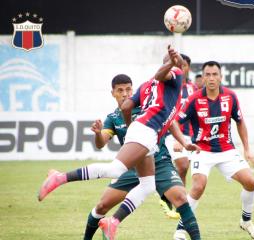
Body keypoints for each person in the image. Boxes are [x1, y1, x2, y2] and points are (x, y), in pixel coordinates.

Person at [38, 46, 200, 239]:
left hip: (148, 141)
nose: (182, 66)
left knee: (147, 185)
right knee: (114, 171)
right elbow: (159, 76)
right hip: (145, 133)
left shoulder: (147, 86)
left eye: (127, 89)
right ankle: (60, 177)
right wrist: (173, 64)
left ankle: (112, 222)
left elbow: (128, 106)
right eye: (179, 63)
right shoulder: (173, 75)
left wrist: (133, 127)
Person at [82, 74, 200, 240]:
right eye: (120, 90)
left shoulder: (146, 107)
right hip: (130, 168)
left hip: (159, 162)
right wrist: (97, 134)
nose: (125, 93)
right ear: (113, 93)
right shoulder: (113, 118)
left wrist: (182, 141)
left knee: (181, 198)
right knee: (102, 206)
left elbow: (171, 121)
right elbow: (101, 143)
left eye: (128, 89)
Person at [173, 61, 254, 240]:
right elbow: (174, 121)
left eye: (215, 74)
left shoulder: (230, 96)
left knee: (251, 182)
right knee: (198, 186)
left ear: (221, 77)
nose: (212, 78)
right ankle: (181, 230)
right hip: (201, 150)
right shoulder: (194, 99)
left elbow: (240, 122)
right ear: (203, 77)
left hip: (227, 150)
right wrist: (180, 141)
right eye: (208, 74)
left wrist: (247, 149)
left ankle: (246, 221)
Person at [166, 54, 197, 185]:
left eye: (183, 65)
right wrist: (179, 139)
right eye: (178, 65)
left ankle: (179, 200)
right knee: (183, 166)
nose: (180, 68)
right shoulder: (168, 86)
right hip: (172, 134)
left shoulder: (193, 89)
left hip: (189, 135)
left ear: (188, 68)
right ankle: (170, 195)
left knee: (183, 170)